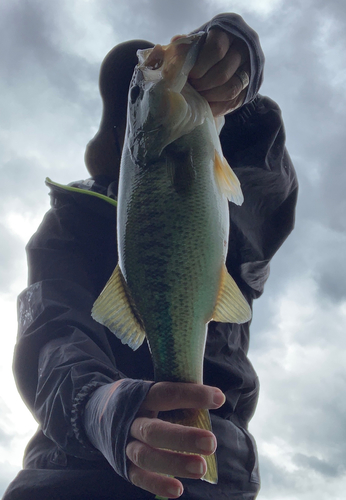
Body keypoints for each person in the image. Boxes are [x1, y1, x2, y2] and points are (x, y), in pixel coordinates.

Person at [3, 12, 298, 500]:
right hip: (70, 469)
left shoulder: (229, 198)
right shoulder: (67, 223)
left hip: (205, 462)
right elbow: (49, 333)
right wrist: (98, 408)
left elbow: (263, 189)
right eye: (138, 93)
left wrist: (236, 78)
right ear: (126, 132)